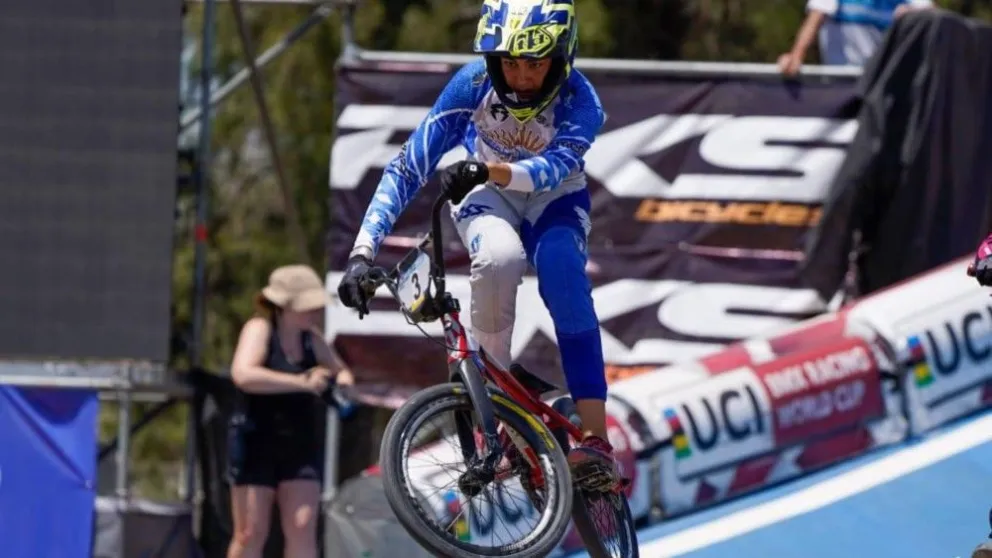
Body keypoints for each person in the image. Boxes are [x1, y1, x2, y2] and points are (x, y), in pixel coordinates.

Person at [336, 0, 620, 490]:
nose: (522, 76)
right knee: (498, 257)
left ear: (561, 57)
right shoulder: (471, 83)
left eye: (535, 63)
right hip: (486, 193)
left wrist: (487, 168)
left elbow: (548, 171)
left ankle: (595, 440)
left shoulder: (582, 99)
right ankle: (501, 413)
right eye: (510, 62)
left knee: (562, 271)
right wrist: (361, 254)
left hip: (552, 195)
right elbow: (408, 166)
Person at [227, 264, 354, 558]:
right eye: (306, 306)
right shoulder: (259, 329)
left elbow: (342, 372)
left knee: (302, 525)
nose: (313, 312)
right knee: (250, 532)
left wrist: (339, 384)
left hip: (299, 443)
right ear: (284, 305)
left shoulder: (313, 338)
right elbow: (243, 375)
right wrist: (300, 382)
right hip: (255, 441)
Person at [778, 0, 933, 76]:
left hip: (883, 82)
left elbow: (936, 19)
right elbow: (815, 18)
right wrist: (796, 56)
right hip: (842, 81)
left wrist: (915, 16)